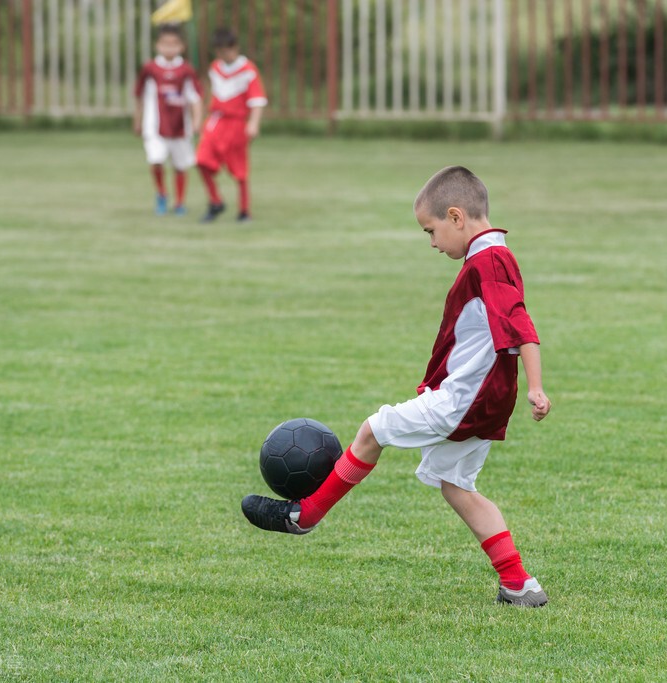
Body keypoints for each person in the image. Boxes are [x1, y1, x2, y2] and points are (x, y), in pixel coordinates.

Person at [242, 166, 553, 607]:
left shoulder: (489, 262)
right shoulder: (492, 257)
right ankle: (519, 583)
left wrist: (536, 387)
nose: (432, 243)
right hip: (479, 400)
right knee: (455, 485)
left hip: (464, 400)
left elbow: (520, 325)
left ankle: (305, 515)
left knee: (374, 429)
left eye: (431, 231)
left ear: (456, 216)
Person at [195, 28, 267, 223]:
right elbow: (211, 95)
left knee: (239, 169)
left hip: (236, 123)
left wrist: (253, 123)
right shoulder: (215, 68)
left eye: (227, 50)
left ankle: (244, 210)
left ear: (236, 48)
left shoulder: (248, 70)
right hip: (216, 121)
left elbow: (257, 99)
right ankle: (215, 201)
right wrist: (201, 119)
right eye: (220, 51)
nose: (224, 54)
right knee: (201, 160)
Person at [132, 23, 203, 216]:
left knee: (181, 165)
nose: (169, 48)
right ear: (158, 45)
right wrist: (137, 120)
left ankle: (180, 201)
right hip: (154, 125)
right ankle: (162, 193)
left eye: (174, 44)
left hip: (180, 126)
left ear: (181, 46)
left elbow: (195, 98)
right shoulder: (150, 69)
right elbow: (139, 96)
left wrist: (196, 121)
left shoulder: (186, 70)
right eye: (165, 44)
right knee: (156, 160)